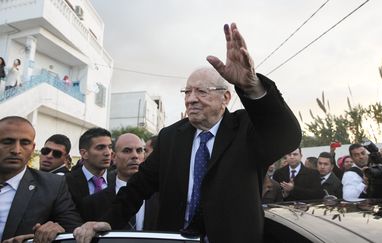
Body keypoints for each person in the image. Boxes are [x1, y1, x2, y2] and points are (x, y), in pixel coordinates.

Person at [74, 23, 301, 243]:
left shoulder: (246, 128)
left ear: (225, 98)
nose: (191, 99)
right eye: (187, 91)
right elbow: (137, 188)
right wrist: (105, 222)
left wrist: (252, 85)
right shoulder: (171, 137)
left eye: (201, 91)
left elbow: (287, 137)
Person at [0, 116, 82, 242]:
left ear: (33, 149)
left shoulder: (53, 186)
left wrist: (56, 230)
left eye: (25, 143)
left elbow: (75, 231)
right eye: (7, 142)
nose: (16, 150)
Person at [80, 133, 146, 230]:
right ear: (113, 157)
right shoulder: (93, 202)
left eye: (139, 151)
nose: (135, 156)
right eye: (127, 151)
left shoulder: (160, 197)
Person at [65, 127, 115, 216]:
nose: (108, 153)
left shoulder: (117, 181)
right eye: (100, 148)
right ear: (84, 153)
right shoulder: (65, 183)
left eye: (110, 147)